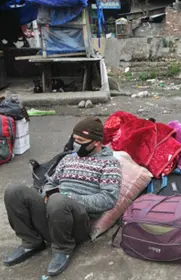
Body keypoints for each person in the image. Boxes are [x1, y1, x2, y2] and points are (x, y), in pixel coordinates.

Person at [3, 117, 121, 276]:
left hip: (77, 224)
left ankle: (63, 249)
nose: (75, 143)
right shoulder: (68, 158)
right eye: (74, 139)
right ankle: (32, 241)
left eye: (81, 140)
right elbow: (51, 182)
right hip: (53, 213)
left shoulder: (110, 164)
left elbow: (109, 199)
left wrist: (69, 197)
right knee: (14, 191)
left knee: (59, 200)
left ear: (97, 142)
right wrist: (47, 193)